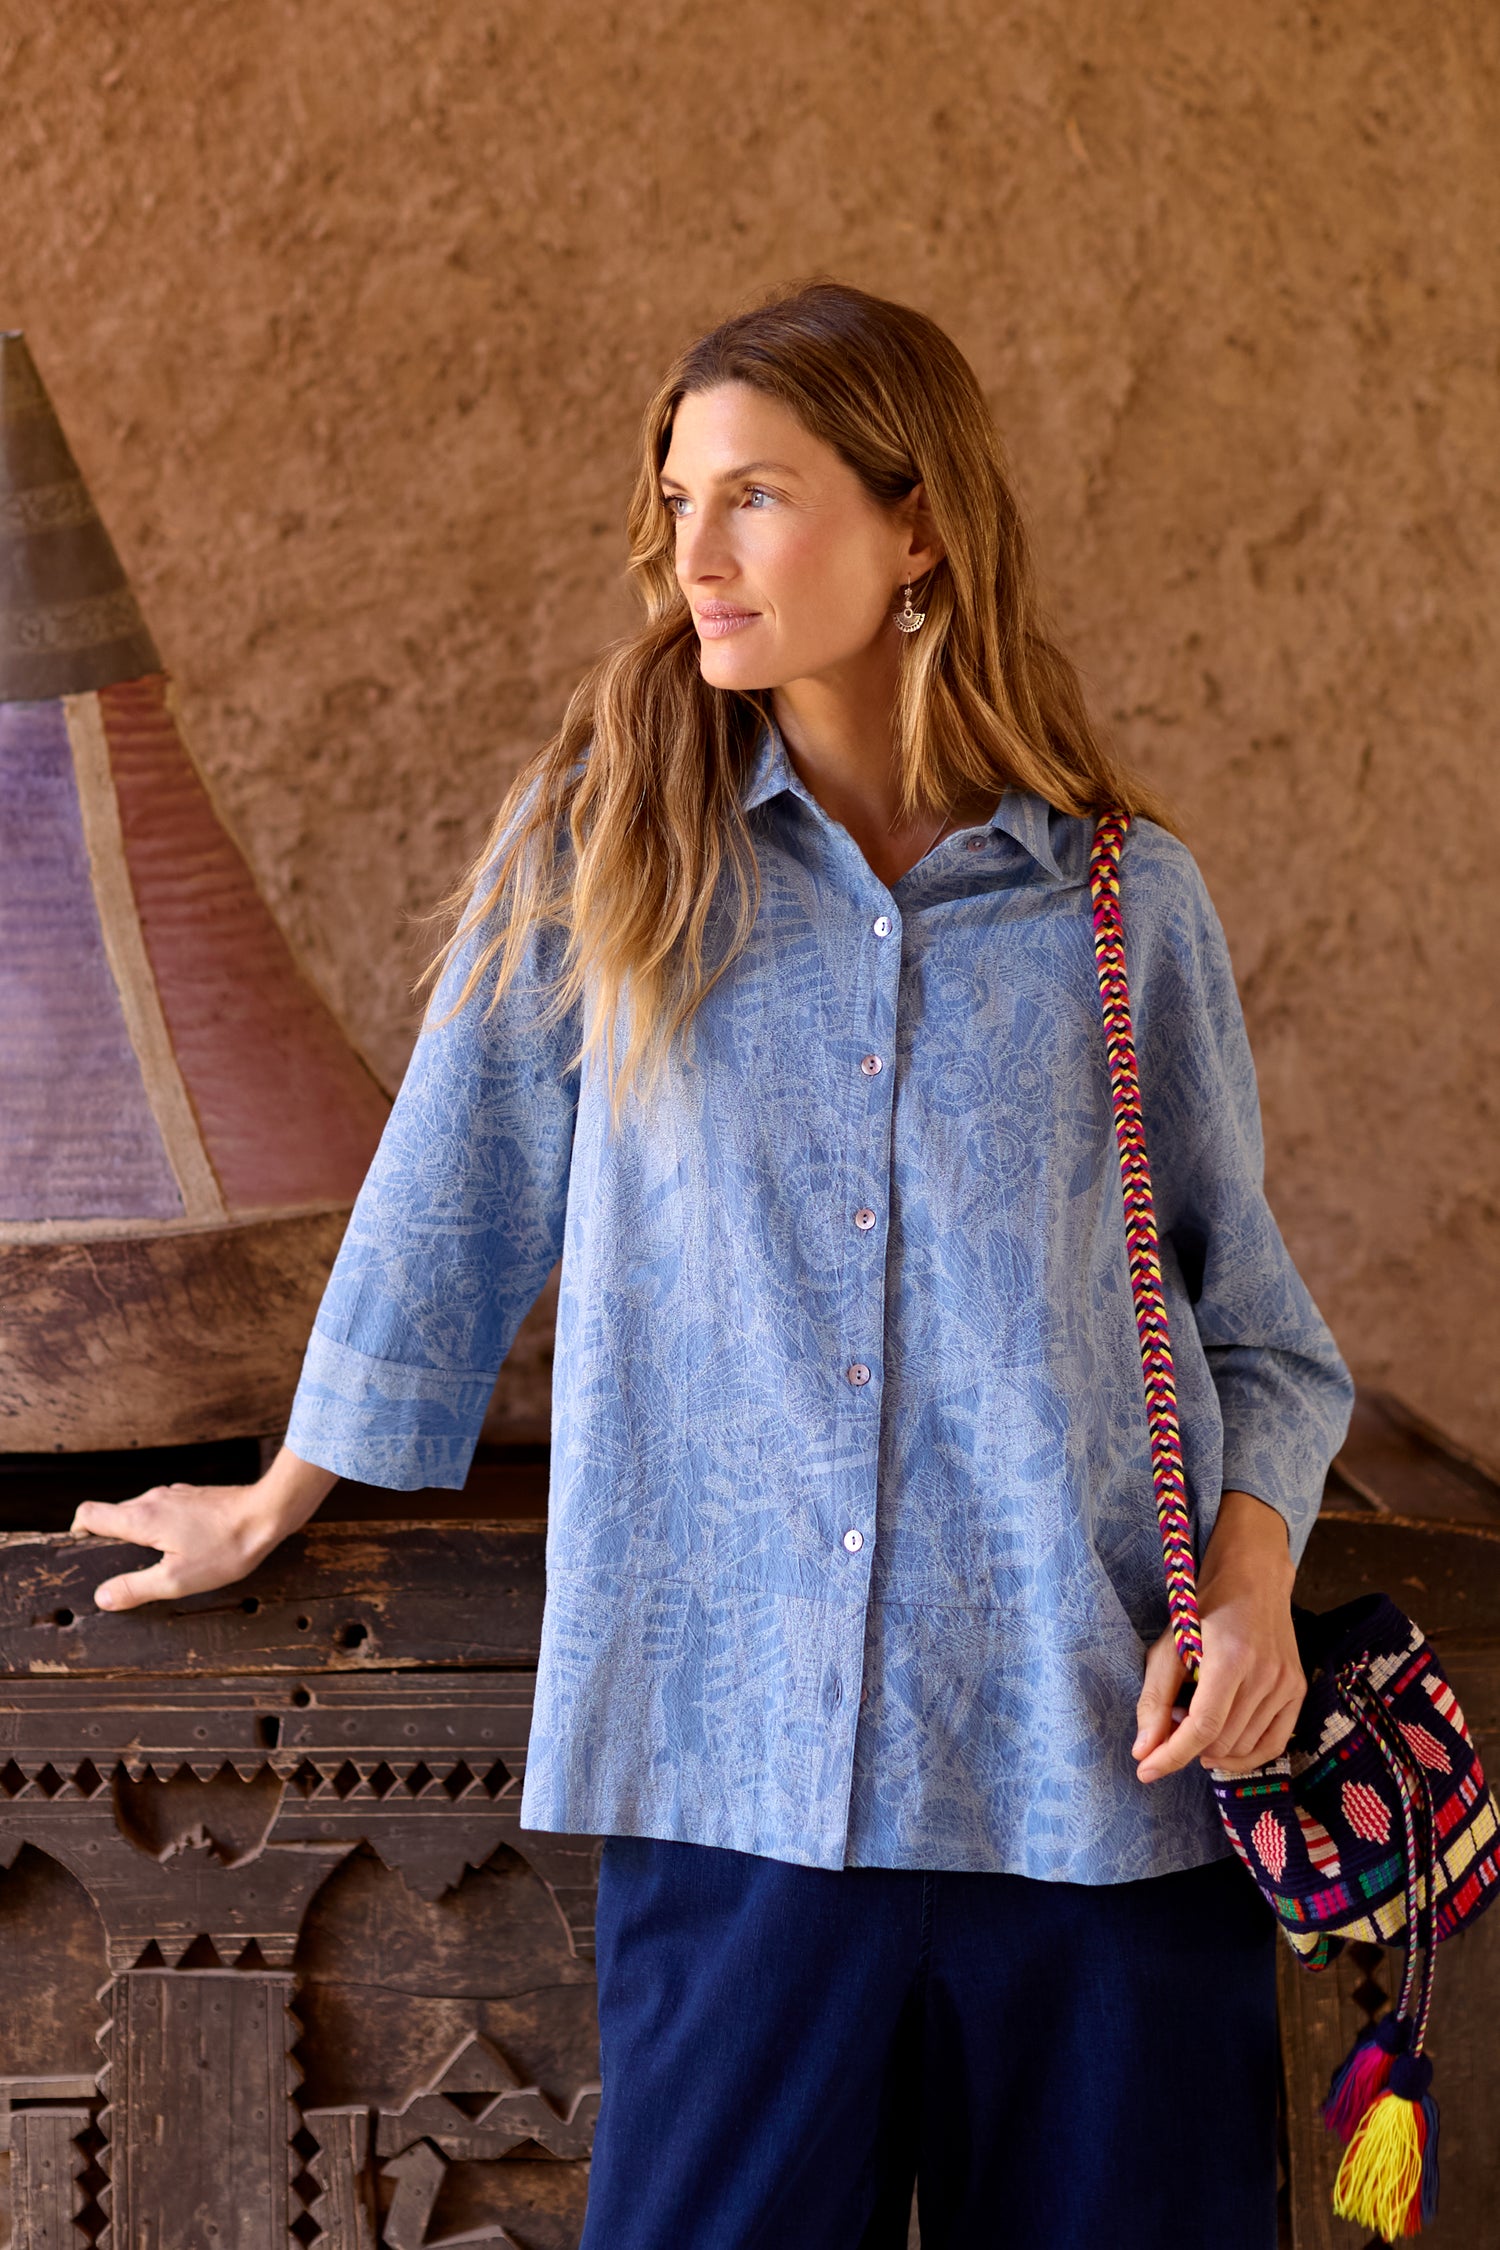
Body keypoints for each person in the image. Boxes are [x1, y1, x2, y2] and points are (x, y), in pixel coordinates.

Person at [73, 282, 1353, 2249]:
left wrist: (1252, 1595)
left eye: (755, 495)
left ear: (916, 528)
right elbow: (448, 1200)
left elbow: (1255, 1330)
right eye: (679, 500)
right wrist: (276, 1497)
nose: (696, 554)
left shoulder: (1117, 903)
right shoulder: (608, 850)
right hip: (734, 1802)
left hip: (1099, 1789)